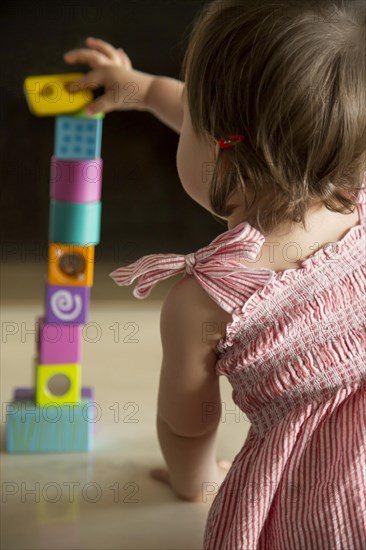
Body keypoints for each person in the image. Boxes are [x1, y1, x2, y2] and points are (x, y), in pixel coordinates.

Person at [64, 0, 366, 547]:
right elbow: (242, 131)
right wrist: (140, 88)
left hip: (328, 507)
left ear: (221, 158)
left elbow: (187, 425)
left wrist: (194, 484)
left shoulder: (207, 302)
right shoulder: (351, 179)